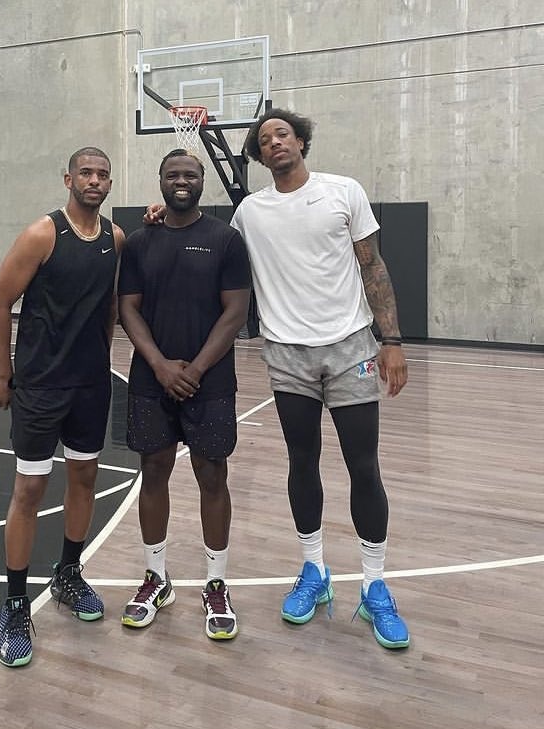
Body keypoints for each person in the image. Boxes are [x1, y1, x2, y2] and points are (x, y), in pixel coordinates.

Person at [229, 108, 410, 649]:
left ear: (301, 141)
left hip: (351, 346)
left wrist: (392, 340)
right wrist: (159, 217)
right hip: (287, 354)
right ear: (260, 155)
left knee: (363, 466)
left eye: (283, 134)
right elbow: (218, 254)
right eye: (265, 139)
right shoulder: (249, 213)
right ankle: (314, 571)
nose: (275, 142)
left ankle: (375, 586)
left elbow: (372, 266)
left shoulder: (343, 192)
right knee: (301, 462)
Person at [0, 146, 125, 667]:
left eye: (102, 174)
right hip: (41, 386)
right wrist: (5, 373)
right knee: (29, 489)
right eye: (85, 172)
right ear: (68, 179)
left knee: (84, 479)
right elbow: (0, 302)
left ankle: (68, 574)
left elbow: (110, 306)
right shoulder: (42, 234)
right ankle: (15, 605)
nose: (94, 180)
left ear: (109, 183)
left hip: (90, 386)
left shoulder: (114, 238)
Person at [117, 149, 252, 640]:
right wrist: (159, 365)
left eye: (190, 175)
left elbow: (235, 312)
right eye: (172, 174)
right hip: (151, 380)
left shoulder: (226, 240)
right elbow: (127, 308)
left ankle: (216, 583)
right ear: (159, 181)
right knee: (153, 472)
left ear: (201, 181)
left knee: (212, 476)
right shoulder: (139, 242)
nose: (181, 181)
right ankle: (156, 577)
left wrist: (193, 369)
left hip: (208, 382)